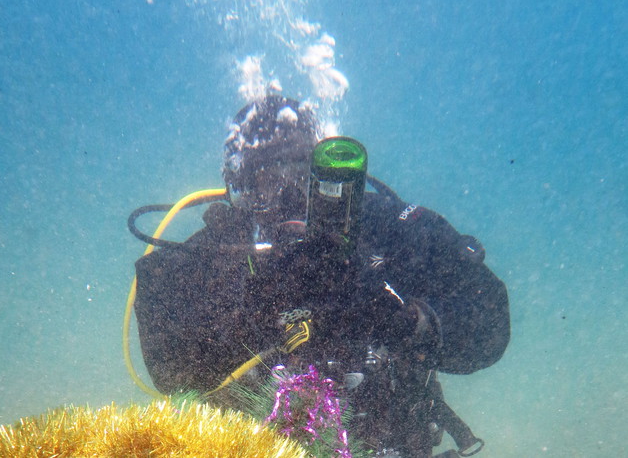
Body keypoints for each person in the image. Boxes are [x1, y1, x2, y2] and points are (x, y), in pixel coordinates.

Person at [132, 95, 510, 457]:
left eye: (301, 176)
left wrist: (408, 321)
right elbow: (171, 374)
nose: (288, 198)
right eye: (267, 181)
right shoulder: (219, 256)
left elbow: (490, 321)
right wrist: (255, 312)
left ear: (329, 179)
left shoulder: (381, 227)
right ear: (240, 189)